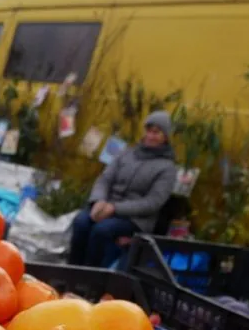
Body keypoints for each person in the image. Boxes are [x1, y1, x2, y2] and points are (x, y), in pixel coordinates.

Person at [69, 111, 178, 268]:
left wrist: (114, 208)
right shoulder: (127, 154)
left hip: (135, 219)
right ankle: (71, 272)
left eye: (156, 132)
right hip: (106, 207)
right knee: (81, 222)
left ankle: (91, 277)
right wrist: (98, 201)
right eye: (149, 131)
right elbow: (105, 179)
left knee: (102, 230)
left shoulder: (167, 168)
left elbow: (152, 203)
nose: (151, 136)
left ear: (165, 137)